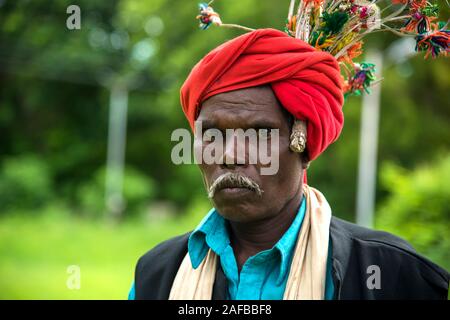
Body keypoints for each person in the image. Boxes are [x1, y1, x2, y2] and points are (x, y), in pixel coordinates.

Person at [129, 27, 449, 300]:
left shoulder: (387, 273)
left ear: (304, 146)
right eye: (211, 135)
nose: (228, 155)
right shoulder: (157, 275)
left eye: (257, 134)